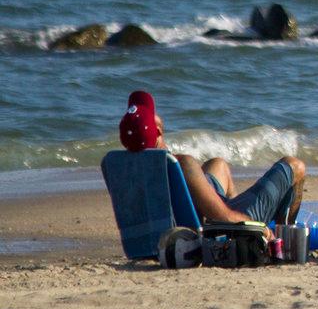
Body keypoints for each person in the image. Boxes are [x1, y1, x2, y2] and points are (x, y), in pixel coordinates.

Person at [118, 90, 306, 236]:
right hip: (225, 224)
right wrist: (259, 229)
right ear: (158, 131)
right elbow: (221, 217)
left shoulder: (124, 166)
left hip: (183, 221)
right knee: (295, 165)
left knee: (217, 164)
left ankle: (235, 202)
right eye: (153, 113)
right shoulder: (181, 165)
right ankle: (285, 235)